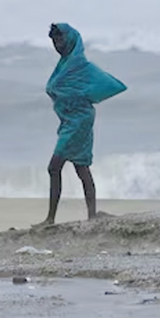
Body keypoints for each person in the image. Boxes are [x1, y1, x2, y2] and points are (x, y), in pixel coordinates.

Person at [36, 22, 127, 227]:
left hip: (79, 122)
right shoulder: (64, 65)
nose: (57, 44)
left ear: (70, 40)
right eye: (54, 40)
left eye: (60, 39)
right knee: (81, 167)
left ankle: (51, 219)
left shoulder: (82, 67)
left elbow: (109, 85)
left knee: (54, 167)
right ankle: (91, 215)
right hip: (70, 121)